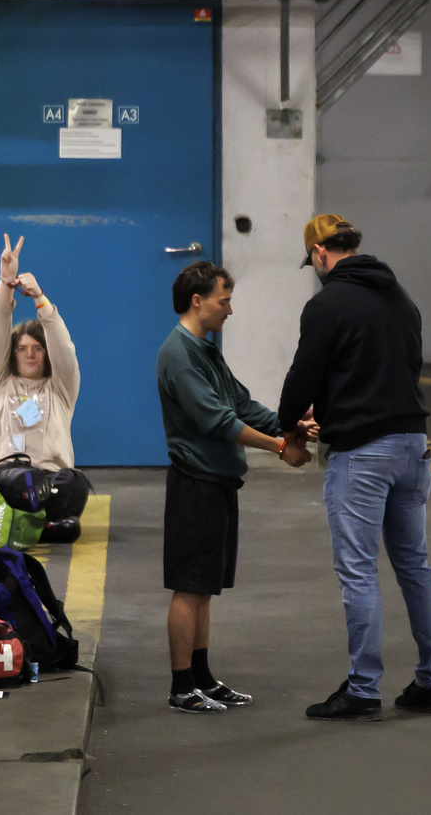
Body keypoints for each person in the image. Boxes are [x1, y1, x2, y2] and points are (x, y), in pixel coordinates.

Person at [277, 214, 431, 721]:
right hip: (413, 445)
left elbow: (301, 377)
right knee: (415, 565)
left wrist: (291, 426)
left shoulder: (326, 305)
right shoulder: (402, 298)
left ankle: (363, 687)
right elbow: (405, 366)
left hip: (363, 454)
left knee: (358, 571)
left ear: (320, 255)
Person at [156, 260, 315, 714]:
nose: (230, 310)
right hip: (195, 483)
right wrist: (280, 446)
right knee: (189, 586)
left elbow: (240, 403)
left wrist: (291, 424)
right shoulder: (178, 354)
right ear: (198, 301)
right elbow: (218, 419)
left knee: (204, 586)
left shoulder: (204, 349)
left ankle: (203, 677)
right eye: (224, 301)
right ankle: (181, 686)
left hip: (217, 482)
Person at [0, 234, 89, 543]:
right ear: (13, 353)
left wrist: (40, 299)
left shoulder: (60, 389)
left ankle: (3, 522)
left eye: (38, 348)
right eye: (23, 348)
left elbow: (65, 350)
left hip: (43, 479)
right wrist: (5, 282)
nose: (30, 354)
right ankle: (40, 526)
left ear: (46, 353)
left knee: (74, 483)